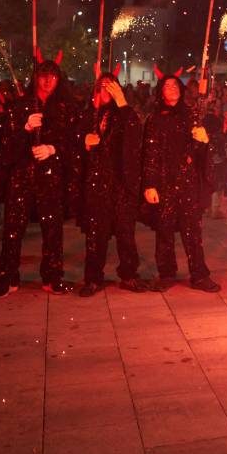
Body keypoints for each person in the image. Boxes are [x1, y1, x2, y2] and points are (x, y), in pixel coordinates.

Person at [0, 58, 80, 298]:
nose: (47, 81)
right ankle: (7, 276)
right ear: (36, 78)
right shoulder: (20, 106)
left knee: (53, 230)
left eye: (52, 76)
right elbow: (6, 148)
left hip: (51, 179)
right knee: (13, 228)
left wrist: (54, 149)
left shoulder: (67, 108)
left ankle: (52, 277)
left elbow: (74, 144)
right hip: (21, 176)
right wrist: (25, 129)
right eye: (43, 75)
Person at [141, 73, 220, 291]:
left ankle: (199, 275)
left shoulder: (192, 114)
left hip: (188, 181)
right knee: (164, 229)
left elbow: (199, 151)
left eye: (175, 84)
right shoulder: (155, 118)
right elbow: (150, 152)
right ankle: (166, 274)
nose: (172, 88)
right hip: (164, 181)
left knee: (192, 230)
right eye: (167, 85)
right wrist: (150, 184)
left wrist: (203, 142)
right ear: (161, 91)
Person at [78, 73, 149, 296]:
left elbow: (135, 136)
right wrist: (85, 142)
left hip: (121, 184)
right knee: (96, 235)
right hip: (97, 184)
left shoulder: (125, 115)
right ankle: (93, 278)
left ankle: (128, 274)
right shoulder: (89, 115)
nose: (106, 92)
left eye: (111, 88)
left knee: (125, 234)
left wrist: (122, 103)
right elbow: (73, 143)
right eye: (102, 88)